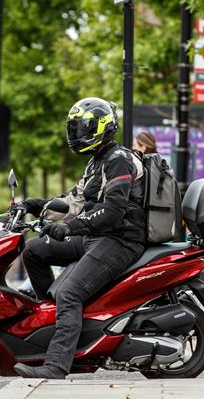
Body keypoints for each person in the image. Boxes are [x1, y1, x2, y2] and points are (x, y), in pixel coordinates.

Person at [13, 97, 146, 379]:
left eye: (83, 129)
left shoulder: (119, 161)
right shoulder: (96, 163)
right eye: (74, 129)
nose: (77, 135)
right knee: (34, 251)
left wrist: (70, 228)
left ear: (103, 128)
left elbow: (112, 212)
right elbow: (73, 202)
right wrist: (35, 205)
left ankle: (57, 365)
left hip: (121, 241)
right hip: (96, 237)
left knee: (70, 293)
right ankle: (47, 321)